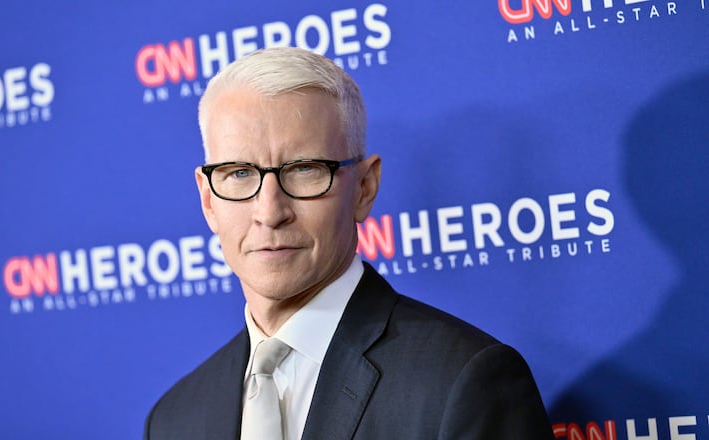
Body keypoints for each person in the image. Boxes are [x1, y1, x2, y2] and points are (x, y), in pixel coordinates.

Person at [144, 46, 556, 440]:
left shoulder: (464, 382)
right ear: (207, 200)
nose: (269, 212)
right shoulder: (175, 418)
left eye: (304, 169)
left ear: (364, 187)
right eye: (238, 174)